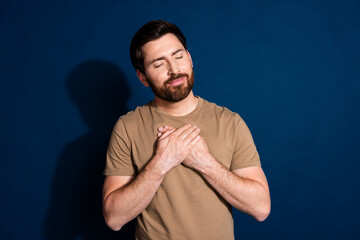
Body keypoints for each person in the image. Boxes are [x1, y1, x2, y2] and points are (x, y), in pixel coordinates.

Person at [102, 20, 271, 240]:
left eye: (178, 56)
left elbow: (261, 208)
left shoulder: (230, 122)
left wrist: (204, 162)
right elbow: (114, 219)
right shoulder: (128, 127)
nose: (174, 70)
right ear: (142, 77)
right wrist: (161, 163)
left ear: (190, 59)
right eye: (159, 64)